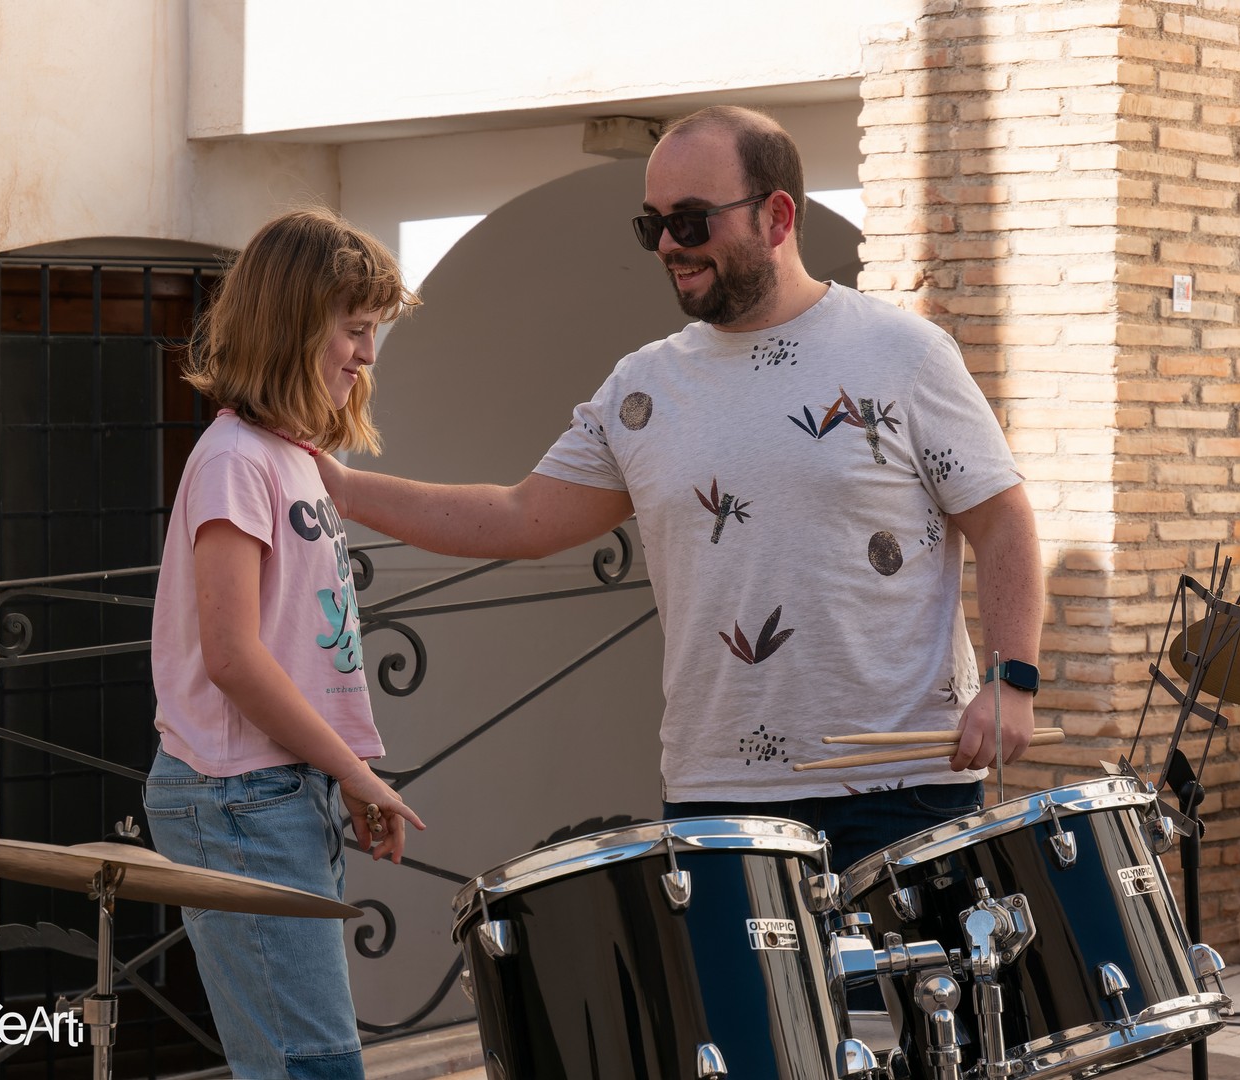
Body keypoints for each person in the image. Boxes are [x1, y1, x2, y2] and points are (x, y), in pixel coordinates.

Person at [318, 105, 1043, 875]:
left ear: (776, 216)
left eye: (691, 220)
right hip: (718, 797)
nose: (668, 244)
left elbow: (1002, 521)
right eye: (653, 224)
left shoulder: (902, 353)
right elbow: (519, 517)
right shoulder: (643, 387)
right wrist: (338, 487)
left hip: (903, 786)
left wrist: (1012, 681)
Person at [144, 206, 426, 1079]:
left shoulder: (290, 456)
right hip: (240, 796)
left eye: (373, 331)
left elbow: (289, 645)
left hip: (277, 789)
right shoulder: (235, 460)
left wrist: (342, 769)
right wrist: (354, 772)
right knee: (311, 1069)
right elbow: (232, 657)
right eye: (354, 329)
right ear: (292, 326)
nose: (368, 354)